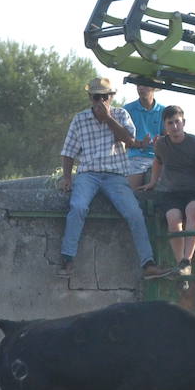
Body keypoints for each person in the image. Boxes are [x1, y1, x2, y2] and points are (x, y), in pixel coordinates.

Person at [58, 77, 167, 280]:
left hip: (115, 174)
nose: (100, 101)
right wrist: (67, 178)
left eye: (104, 97)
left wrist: (108, 119)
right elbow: (68, 152)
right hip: (88, 173)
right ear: (91, 98)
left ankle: (148, 263)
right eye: (96, 97)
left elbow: (130, 140)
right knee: (78, 207)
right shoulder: (79, 119)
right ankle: (67, 258)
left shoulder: (120, 114)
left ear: (111, 97)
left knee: (134, 213)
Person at [141, 105, 195, 276]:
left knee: (193, 211)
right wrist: (153, 181)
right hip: (171, 192)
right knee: (172, 218)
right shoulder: (161, 144)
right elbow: (158, 161)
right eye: (170, 123)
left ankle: (187, 260)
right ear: (165, 125)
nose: (174, 127)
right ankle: (179, 263)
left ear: (184, 123)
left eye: (177, 122)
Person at [122, 85, 163, 186]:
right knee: (132, 194)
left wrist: (161, 142)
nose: (140, 88)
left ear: (153, 87)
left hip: (159, 159)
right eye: (138, 84)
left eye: (145, 84)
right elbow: (121, 140)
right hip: (135, 157)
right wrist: (140, 144)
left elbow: (169, 137)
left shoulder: (164, 111)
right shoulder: (127, 110)